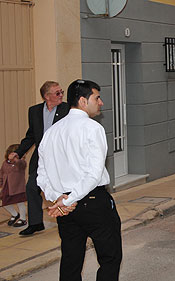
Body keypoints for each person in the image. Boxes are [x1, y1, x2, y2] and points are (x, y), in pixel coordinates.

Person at [37, 79, 122, 281]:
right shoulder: (93, 128)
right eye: (97, 98)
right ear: (83, 101)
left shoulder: (51, 133)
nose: (100, 103)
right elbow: (93, 175)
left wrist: (58, 198)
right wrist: (66, 201)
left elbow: (42, 175)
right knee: (110, 257)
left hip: (66, 209)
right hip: (92, 202)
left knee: (71, 260)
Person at [9, 81, 70, 236]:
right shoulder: (35, 111)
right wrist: (19, 152)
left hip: (60, 158)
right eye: (57, 93)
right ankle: (36, 223)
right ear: (46, 96)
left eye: (61, 92)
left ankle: (69, 218)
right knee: (31, 187)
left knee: (63, 189)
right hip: (41, 158)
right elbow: (31, 136)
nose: (61, 95)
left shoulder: (66, 109)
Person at [1, 144, 27, 227]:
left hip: (18, 188)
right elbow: (1, 173)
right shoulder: (5, 163)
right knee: (5, 202)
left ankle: (23, 219)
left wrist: (16, 160)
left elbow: (22, 165)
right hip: (7, 187)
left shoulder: (21, 163)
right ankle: (15, 214)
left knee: (20, 203)